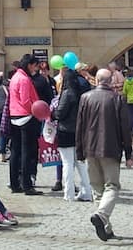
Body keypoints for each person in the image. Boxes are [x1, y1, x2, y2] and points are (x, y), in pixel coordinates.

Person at [77, 65, 132, 243]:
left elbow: (80, 126)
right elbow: (125, 128)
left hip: (90, 149)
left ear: (97, 80)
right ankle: (101, 215)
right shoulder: (117, 99)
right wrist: (129, 152)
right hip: (110, 148)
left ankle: (106, 228)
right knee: (112, 186)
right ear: (111, 82)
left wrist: (80, 150)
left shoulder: (85, 97)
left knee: (97, 189)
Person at [54, 61, 92, 201]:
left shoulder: (67, 93)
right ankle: (87, 191)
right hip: (79, 130)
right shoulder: (81, 92)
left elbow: (60, 113)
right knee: (80, 162)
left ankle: (68, 193)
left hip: (65, 131)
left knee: (67, 163)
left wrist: (53, 114)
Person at [8, 54, 42, 195]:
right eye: (35, 66)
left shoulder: (15, 77)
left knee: (15, 152)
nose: (35, 69)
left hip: (14, 116)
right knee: (27, 152)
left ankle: (15, 183)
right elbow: (26, 100)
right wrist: (35, 112)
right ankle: (27, 185)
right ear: (29, 65)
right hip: (26, 117)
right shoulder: (24, 79)